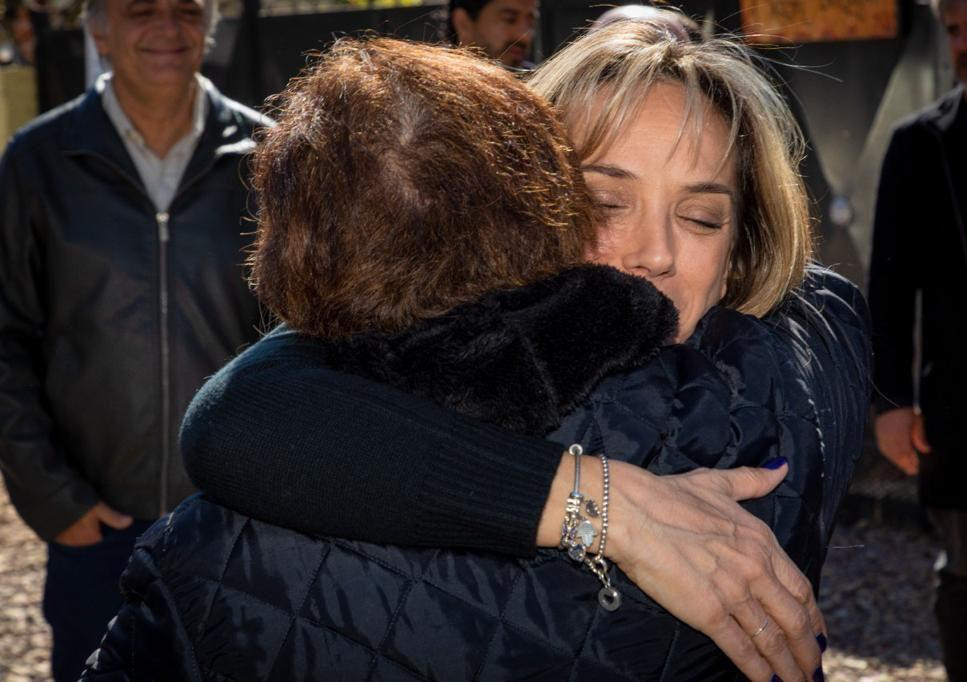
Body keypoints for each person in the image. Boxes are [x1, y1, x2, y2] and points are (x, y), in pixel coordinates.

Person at [86, 29, 869, 682]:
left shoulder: (308, 452)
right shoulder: (816, 354)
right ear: (517, 210)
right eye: (605, 202)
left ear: (740, 251)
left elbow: (236, 415)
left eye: (701, 217)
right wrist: (594, 502)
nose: (654, 254)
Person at [0, 0, 264, 677]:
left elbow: (307, 333)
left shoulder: (270, 156)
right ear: (97, 27)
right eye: (141, 8)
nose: (167, 28)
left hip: (241, 530)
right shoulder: (37, 162)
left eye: (186, 8)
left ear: (210, 21)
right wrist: (56, 501)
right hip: (96, 533)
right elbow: (6, 338)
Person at [869, 0, 967, 679]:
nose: (964, 44)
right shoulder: (919, 145)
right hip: (962, 404)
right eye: (953, 31)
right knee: (965, 575)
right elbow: (891, 286)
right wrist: (892, 402)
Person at [448, 0, 537, 68]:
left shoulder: (538, 85)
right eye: (510, 19)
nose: (524, 36)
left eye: (531, 23)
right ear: (463, 24)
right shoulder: (437, 85)